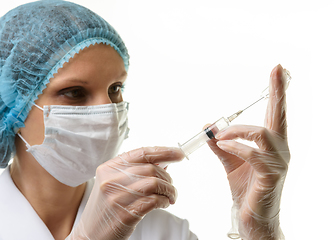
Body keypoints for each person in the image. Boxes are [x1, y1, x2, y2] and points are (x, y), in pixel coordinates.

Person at [0, 1, 290, 240]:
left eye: (115, 89)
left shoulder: (164, 232)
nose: (109, 112)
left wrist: (259, 231)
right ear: (12, 103)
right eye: (75, 92)